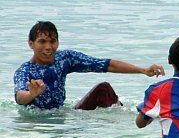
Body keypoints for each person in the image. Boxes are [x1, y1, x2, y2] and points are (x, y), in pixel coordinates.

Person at [14, 21, 165, 110]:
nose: (48, 47)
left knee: (103, 89)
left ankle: (131, 121)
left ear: (57, 43)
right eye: (42, 42)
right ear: (31, 44)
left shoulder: (64, 59)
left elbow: (105, 65)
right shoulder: (25, 70)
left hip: (64, 117)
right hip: (38, 124)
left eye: (52, 41)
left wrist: (143, 70)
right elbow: (19, 97)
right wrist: (31, 94)